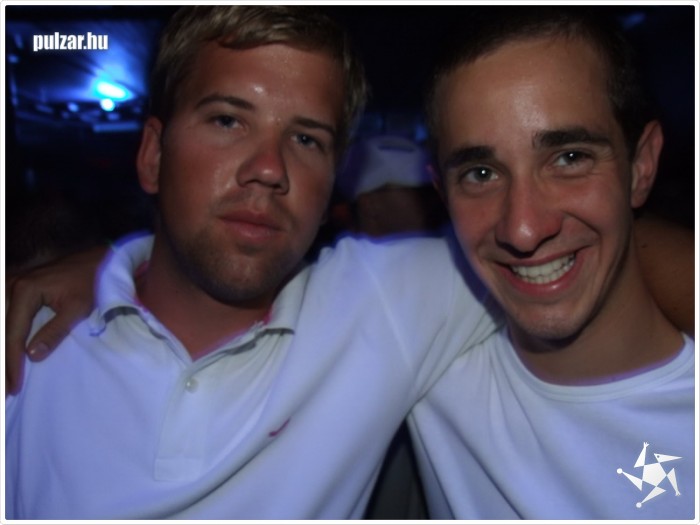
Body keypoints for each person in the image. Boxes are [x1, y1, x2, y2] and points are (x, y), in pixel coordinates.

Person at [4, 5, 694, 521]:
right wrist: (101, 267)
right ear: (153, 154)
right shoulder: (27, 347)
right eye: (227, 121)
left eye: (306, 138)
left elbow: (601, 246)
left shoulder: (390, 302)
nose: (268, 168)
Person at [406, 7, 695, 520]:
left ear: (641, 165)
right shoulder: (421, 355)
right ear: (442, 193)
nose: (523, 228)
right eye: (480, 173)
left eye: (569, 158)